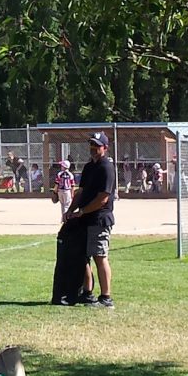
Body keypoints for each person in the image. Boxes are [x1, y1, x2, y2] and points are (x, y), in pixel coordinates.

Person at [65, 131, 116, 308]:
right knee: (83, 256)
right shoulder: (89, 167)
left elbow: (103, 198)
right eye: (92, 145)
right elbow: (81, 191)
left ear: (105, 148)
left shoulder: (106, 167)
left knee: (99, 256)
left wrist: (83, 211)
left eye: (97, 146)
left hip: (100, 219)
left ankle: (106, 298)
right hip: (85, 218)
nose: (93, 149)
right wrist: (71, 209)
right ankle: (87, 293)